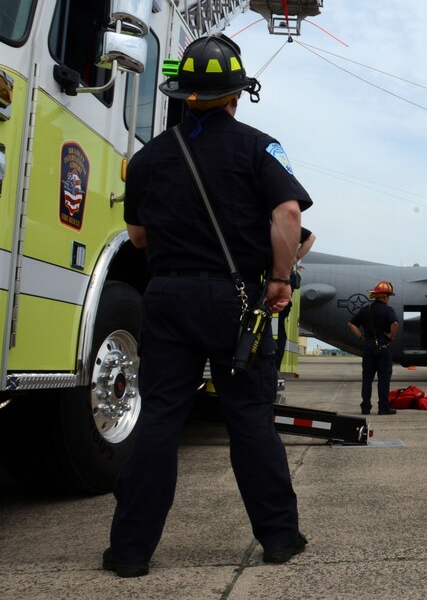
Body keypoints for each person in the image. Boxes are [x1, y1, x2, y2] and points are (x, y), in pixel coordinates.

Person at [103, 34, 310, 578]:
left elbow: (138, 237)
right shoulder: (260, 147)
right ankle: (280, 537)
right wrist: (281, 279)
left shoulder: (146, 160)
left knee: (159, 421)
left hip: (168, 297)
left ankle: (130, 550)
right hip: (235, 297)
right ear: (237, 93)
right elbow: (288, 215)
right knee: (249, 420)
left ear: (184, 95)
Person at [347, 281, 399, 415]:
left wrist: (361, 336)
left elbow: (351, 324)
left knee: (367, 379)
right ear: (385, 296)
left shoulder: (366, 309)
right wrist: (391, 337)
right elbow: (394, 324)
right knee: (383, 379)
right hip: (383, 346)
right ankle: (383, 408)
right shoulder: (388, 310)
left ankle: (365, 407)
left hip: (369, 346)